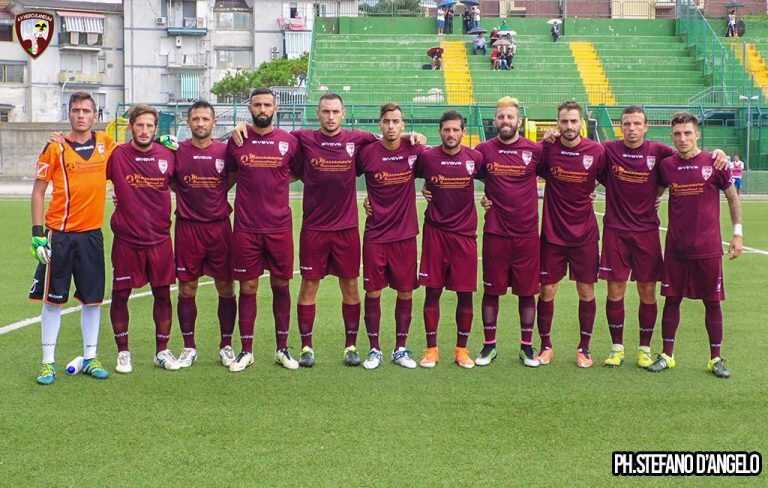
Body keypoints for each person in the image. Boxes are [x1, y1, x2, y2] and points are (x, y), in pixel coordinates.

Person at [29, 92, 115, 385]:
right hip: (59, 236)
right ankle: (47, 363)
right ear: (69, 114)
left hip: (91, 235)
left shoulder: (106, 144)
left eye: (87, 110)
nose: (81, 115)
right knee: (53, 301)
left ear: (95, 115)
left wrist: (164, 146)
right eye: (76, 110)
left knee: (92, 301)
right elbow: (39, 191)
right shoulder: (54, 148)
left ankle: (90, 357)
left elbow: (135, 157)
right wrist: (38, 235)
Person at [650, 112, 743, 379]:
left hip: (708, 248)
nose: (682, 138)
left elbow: (733, 199)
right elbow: (655, 196)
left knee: (712, 303)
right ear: (672, 136)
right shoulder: (667, 166)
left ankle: (716, 358)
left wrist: (737, 234)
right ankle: (667, 355)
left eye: (688, 133)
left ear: (697, 134)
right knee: (672, 300)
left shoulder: (716, 163)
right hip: (676, 248)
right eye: (678, 134)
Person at [226, 88, 302, 371]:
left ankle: (283, 348)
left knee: (281, 284)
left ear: (276, 107)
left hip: (279, 227)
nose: (262, 109)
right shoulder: (236, 141)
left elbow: (297, 171)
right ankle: (246, 350)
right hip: (246, 228)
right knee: (248, 286)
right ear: (249, 107)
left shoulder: (289, 142)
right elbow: (229, 175)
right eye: (257, 104)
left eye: (267, 104)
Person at [108, 104, 178, 373]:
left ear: (156, 127)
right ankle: (123, 352)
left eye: (150, 125)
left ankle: (162, 351)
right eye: (140, 125)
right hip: (127, 240)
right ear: (131, 127)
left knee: (162, 295)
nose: (145, 130)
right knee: (120, 295)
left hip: (159, 240)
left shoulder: (169, 154)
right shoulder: (117, 155)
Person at [473, 97, 542, 367]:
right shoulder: (483, 150)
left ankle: (526, 347)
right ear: (494, 120)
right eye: (501, 117)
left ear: (519, 121)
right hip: (495, 232)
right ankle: (489, 346)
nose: (505, 121)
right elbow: (462, 173)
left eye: (510, 117)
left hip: (526, 234)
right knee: (492, 291)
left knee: (527, 292)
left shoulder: (535, 151)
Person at [537, 101, 606, 368]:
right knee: (547, 290)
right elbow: (521, 172)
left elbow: (615, 178)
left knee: (586, 290)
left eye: (573, 121)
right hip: (553, 234)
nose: (568, 127)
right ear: (557, 123)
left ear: (581, 124)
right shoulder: (547, 150)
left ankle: (584, 349)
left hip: (585, 234)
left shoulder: (596, 151)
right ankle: (545, 346)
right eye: (564, 122)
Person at [357, 103, 425, 369]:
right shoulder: (367, 153)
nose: (391, 126)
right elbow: (341, 177)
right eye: (387, 121)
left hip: (405, 234)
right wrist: (363, 200)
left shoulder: (415, 150)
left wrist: (429, 189)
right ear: (380, 124)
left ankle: (400, 348)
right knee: (373, 292)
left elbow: (442, 166)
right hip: (375, 234)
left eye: (396, 121)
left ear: (403, 124)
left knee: (405, 292)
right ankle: (374, 349)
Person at [172, 101, 237, 369]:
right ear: (188, 122)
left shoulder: (225, 152)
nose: (200, 123)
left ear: (213, 123)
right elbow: (168, 180)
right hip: (188, 228)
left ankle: (226, 345)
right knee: (187, 287)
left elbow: (231, 178)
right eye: (195, 119)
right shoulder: (176, 151)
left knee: (225, 286)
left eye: (205, 119)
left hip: (219, 228)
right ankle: (189, 347)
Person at [416, 110, 483, 369]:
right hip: (435, 233)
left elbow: (500, 181)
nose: (451, 134)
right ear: (440, 131)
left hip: (464, 235)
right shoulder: (427, 157)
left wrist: (489, 199)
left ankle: (461, 350)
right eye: (447, 130)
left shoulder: (475, 158)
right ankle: (431, 349)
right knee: (432, 292)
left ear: (463, 133)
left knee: (465, 295)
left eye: (456, 130)